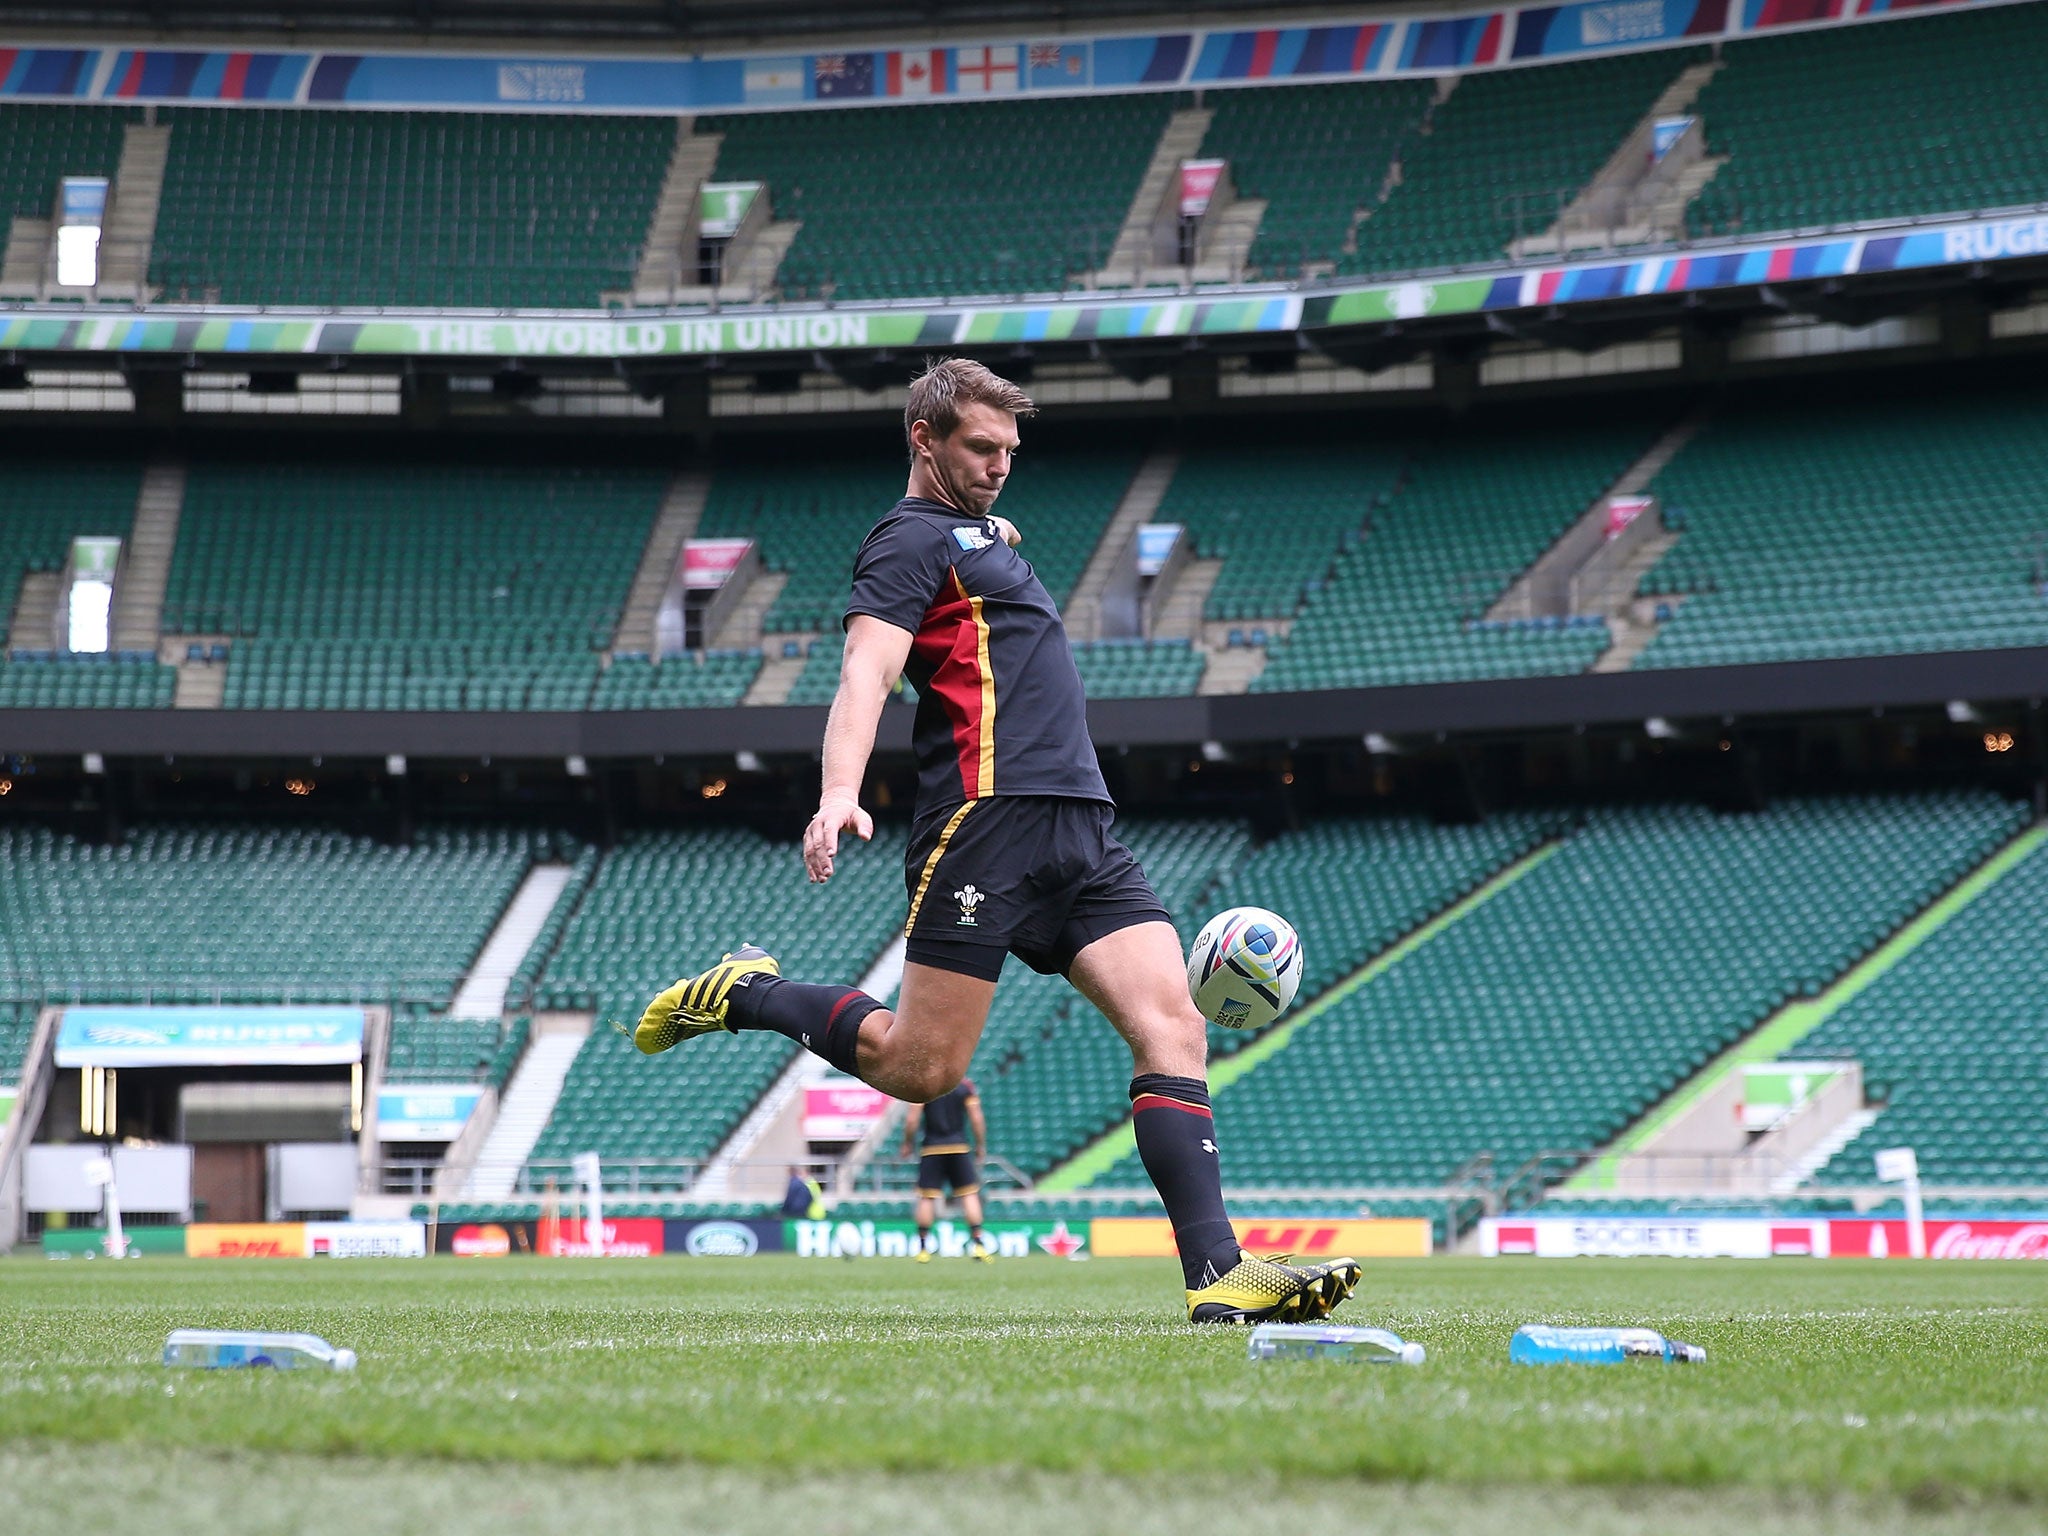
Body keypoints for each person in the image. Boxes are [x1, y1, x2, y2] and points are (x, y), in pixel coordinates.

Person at [635, 357, 1358, 1325]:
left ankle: (1216, 1276)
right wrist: (837, 791)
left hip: (1082, 825)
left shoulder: (973, 532)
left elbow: (979, 542)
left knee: (1174, 1026)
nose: (1000, 464)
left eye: (1009, 450)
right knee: (917, 1068)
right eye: (979, 448)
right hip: (985, 823)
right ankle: (748, 992)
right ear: (920, 440)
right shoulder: (901, 543)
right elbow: (865, 674)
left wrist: (986, 526)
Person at [900, 1078, 993, 1262]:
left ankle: (923, 1249)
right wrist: (981, 1145)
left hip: (932, 1148)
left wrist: (907, 1143)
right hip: (959, 1146)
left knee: (926, 1197)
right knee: (969, 1194)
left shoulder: (925, 1084)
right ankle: (978, 1245)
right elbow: (976, 1117)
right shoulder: (964, 1085)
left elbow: (912, 1119)